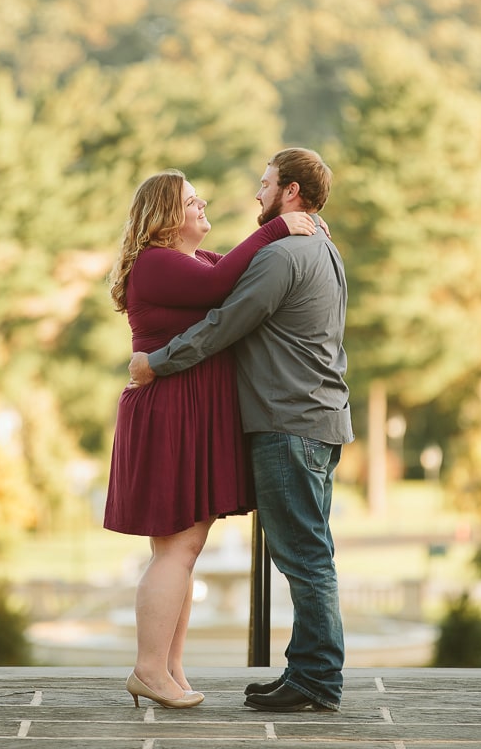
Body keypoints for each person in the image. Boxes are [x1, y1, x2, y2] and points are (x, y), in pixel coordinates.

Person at [128, 148, 354, 713]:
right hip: (315, 417)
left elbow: (224, 321)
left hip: (288, 420)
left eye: (265, 184)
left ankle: (316, 677)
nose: (256, 193)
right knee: (306, 553)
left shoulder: (283, 255)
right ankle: (305, 671)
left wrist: (158, 361)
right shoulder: (325, 248)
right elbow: (216, 276)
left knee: (303, 557)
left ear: (291, 193)